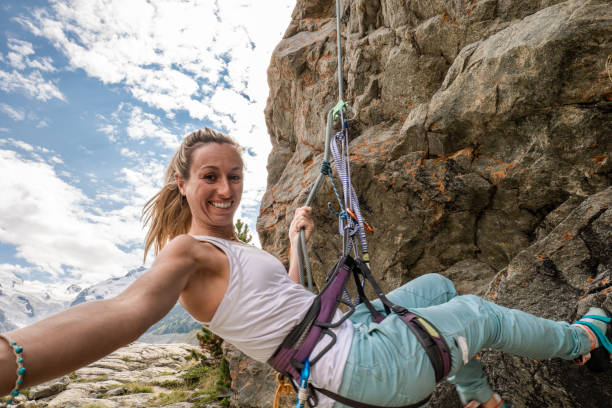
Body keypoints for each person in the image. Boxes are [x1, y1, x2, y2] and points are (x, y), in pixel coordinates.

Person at [0, 128, 609, 408]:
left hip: (343, 343)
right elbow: (124, 312)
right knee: (476, 313)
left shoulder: (236, 254)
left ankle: (478, 399)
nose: (225, 189)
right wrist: (10, 361)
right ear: (182, 184)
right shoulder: (186, 254)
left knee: (439, 287)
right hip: (359, 365)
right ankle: (584, 338)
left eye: (234, 176)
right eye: (209, 176)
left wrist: (293, 239)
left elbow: (293, 300)